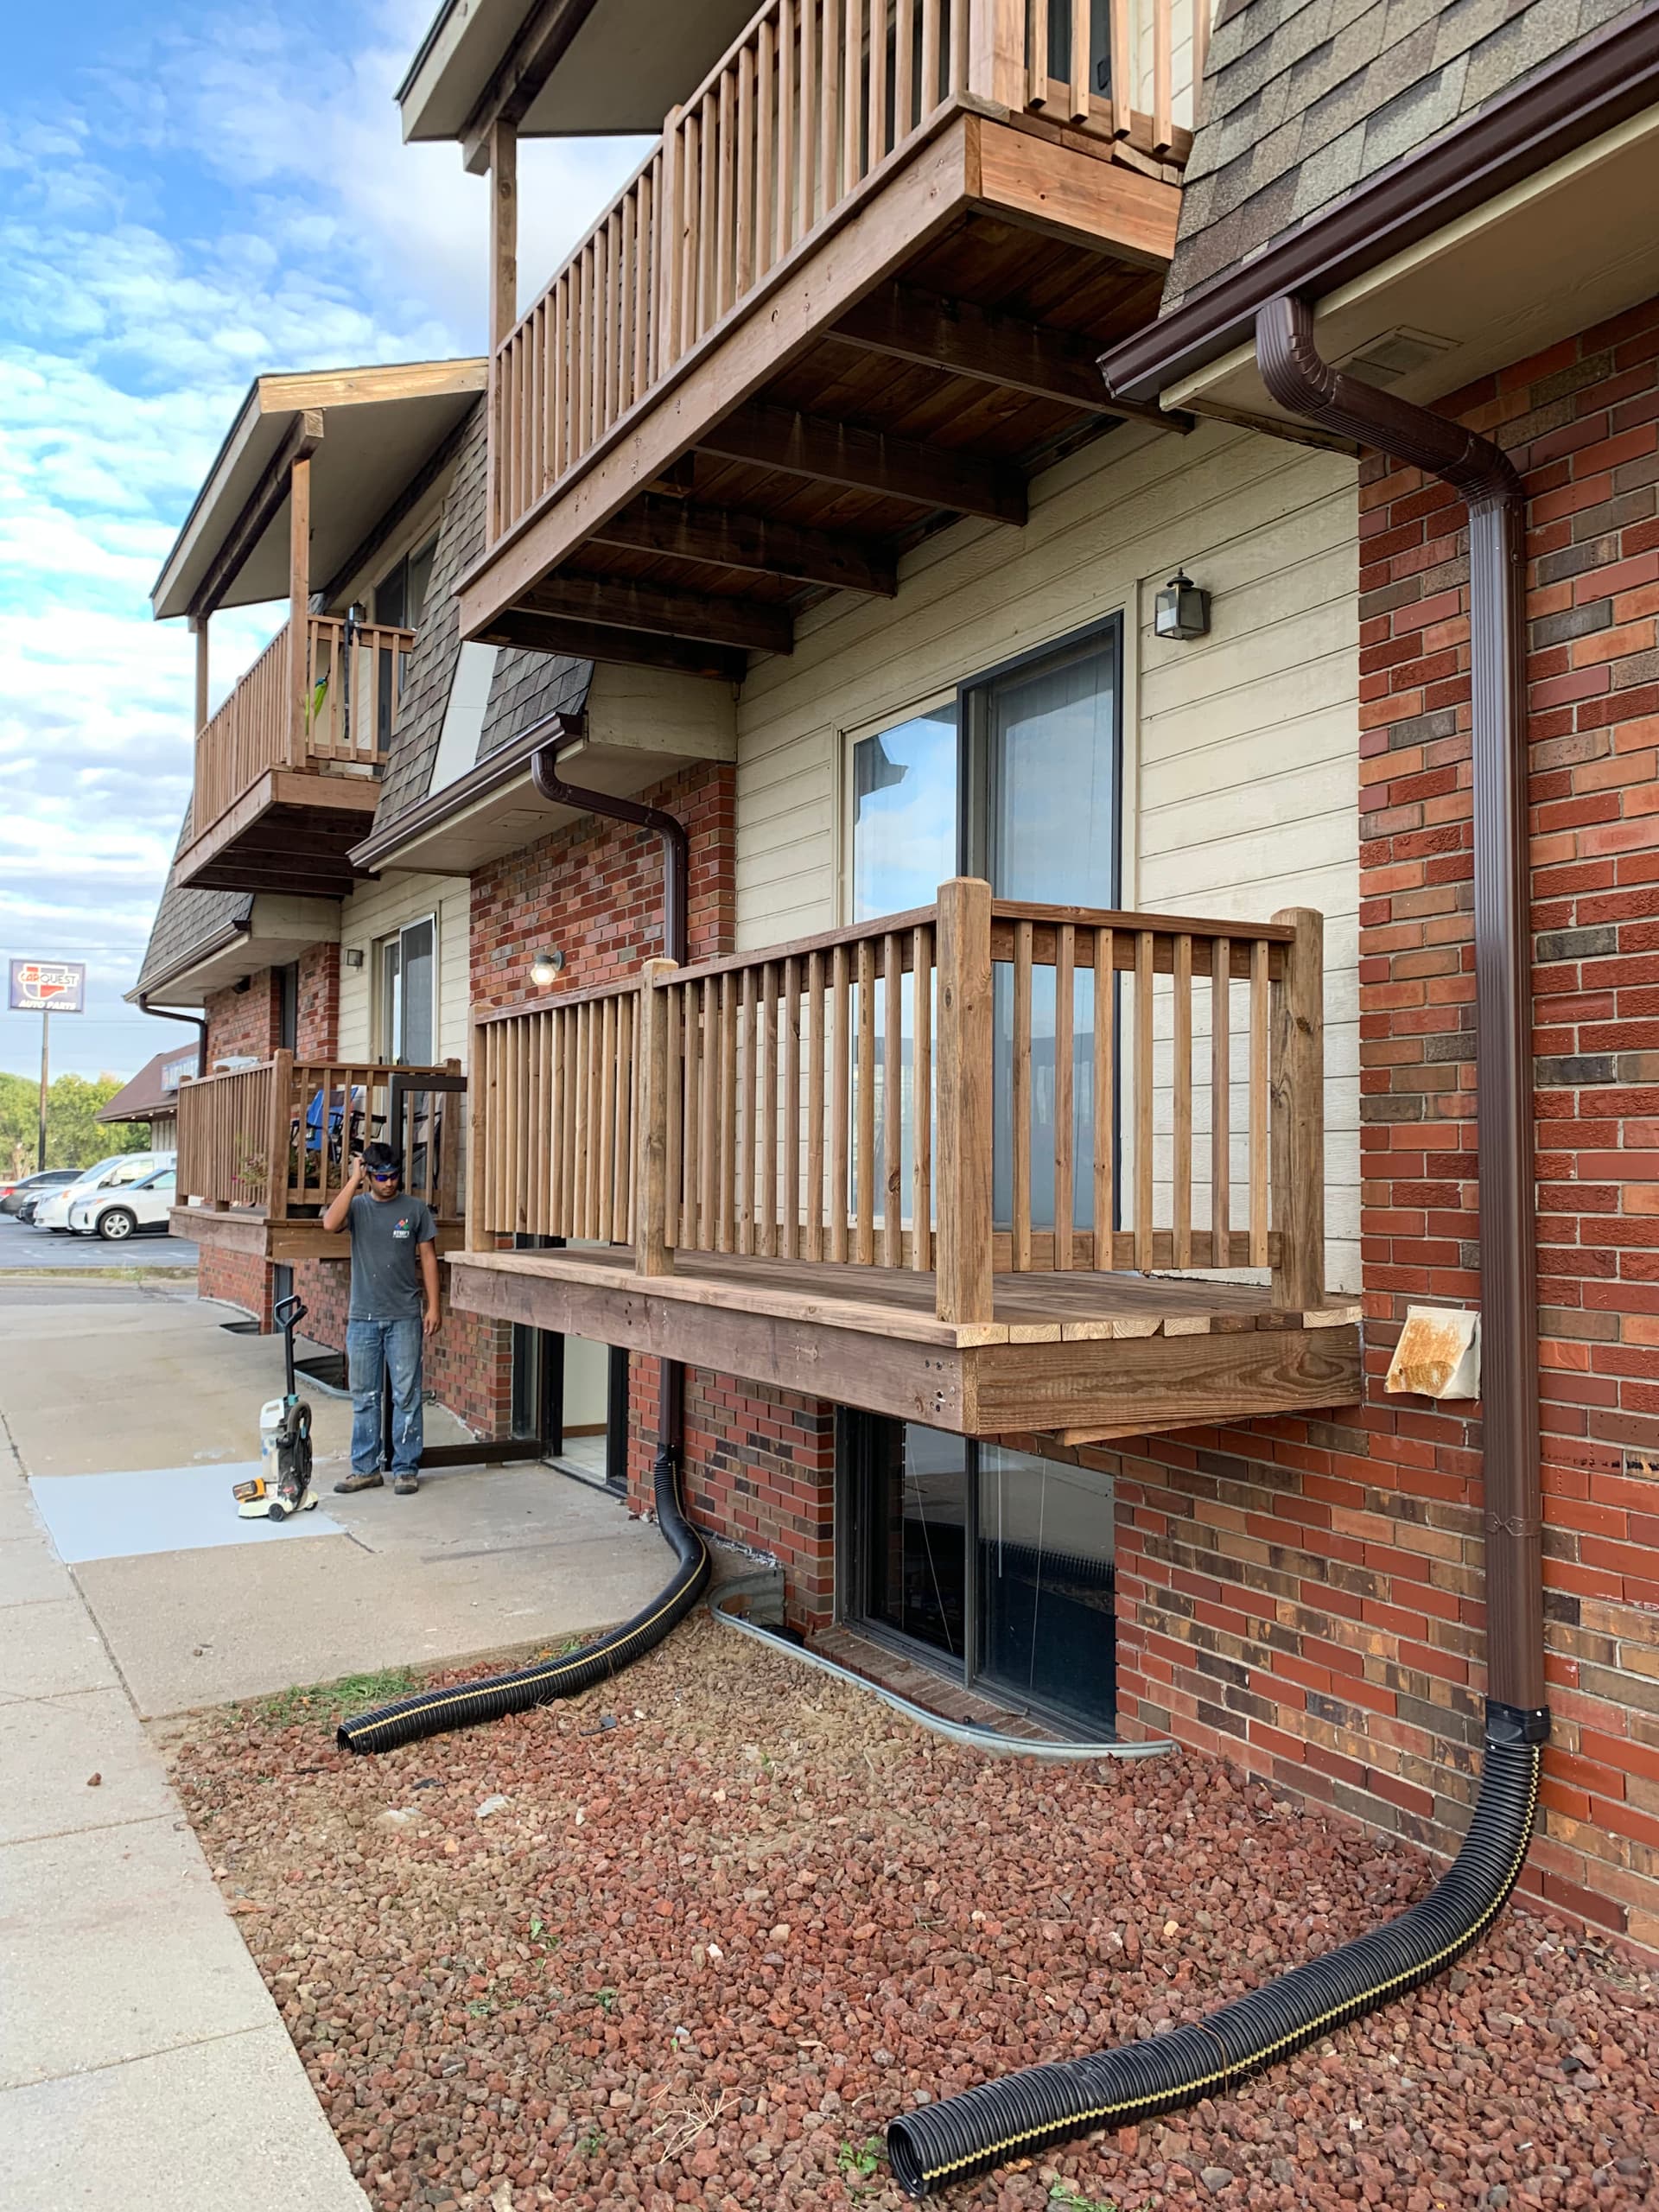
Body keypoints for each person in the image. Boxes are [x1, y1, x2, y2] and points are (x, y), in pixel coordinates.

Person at [321, 1140, 440, 1496]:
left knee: (406, 1395)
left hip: (404, 1315)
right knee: (365, 1397)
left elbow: (429, 1259)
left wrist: (434, 1306)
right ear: (370, 1176)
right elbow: (329, 1224)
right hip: (363, 1318)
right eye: (382, 1176)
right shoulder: (357, 1207)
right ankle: (365, 1469)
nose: (389, 1183)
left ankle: (405, 1468)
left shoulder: (416, 1210)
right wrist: (354, 1179)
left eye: (394, 1176)